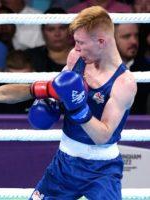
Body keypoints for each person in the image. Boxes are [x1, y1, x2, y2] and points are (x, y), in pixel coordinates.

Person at [28, 6, 137, 199]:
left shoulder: (124, 83)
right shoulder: (76, 58)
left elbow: (102, 136)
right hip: (64, 163)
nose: (76, 48)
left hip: (102, 170)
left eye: (80, 42)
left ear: (101, 42)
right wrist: (51, 104)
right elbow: (59, 94)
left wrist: (79, 108)